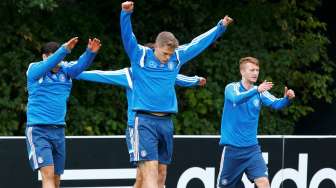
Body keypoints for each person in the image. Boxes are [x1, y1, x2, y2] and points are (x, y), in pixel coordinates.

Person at [120, 1, 233, 187]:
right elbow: (127, 37)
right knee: (149, 172)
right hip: (144, 122)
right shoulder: (139, 55)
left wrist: (220, 27)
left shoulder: (176, 57)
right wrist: (125, 14)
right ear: (155, 46)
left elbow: (198, 43)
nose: (167, 59)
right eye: (164, 54)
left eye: (169, 55)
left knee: (161, 173)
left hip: (166, 122)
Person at [75, 68, 206, 188]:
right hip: (137, 128)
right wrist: (75, 71)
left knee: (161, 172)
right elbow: (102, 75)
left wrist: (195, 80)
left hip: (161, 125)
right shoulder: (131, 74)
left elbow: (177, 78)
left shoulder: (161, 72)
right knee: (142, 176)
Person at [25, 37, 101, 188]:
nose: (58, 62)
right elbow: (49, 64)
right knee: (47, 174)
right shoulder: (34, 69)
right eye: (54, 58)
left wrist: (90, 53)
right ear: (44, 56)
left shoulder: (66, 70)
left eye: (61, 58)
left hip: (59, 130)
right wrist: (64, 50)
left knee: (56, 179)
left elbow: (79, 66)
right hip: (38, 130)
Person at [217, 57, 295, 188]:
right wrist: (256, 90)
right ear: (242, 72)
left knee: (264, 183)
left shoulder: (260, 92)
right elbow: (236, 99)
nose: (255, 73)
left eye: (257, 70)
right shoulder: (231, 87)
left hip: (252, 150)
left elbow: (276, 103)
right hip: (232, 151)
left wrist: (287, 99)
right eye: (252, 70)